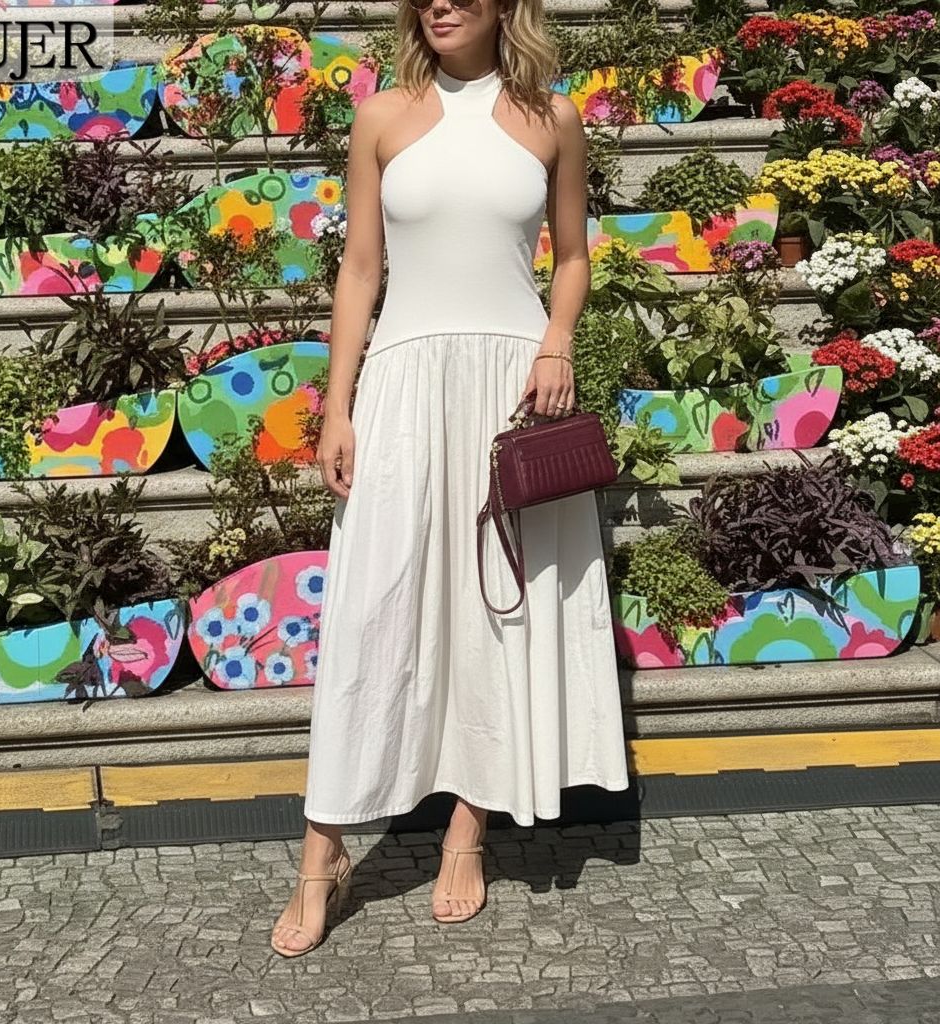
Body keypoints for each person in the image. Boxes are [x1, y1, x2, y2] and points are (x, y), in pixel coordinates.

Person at [270, 0, 630, 958]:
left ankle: (467, 829)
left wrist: (558, 345)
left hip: (512, 380)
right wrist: (338, 405)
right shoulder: (382, 115)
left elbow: (574, 255)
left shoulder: (552, 118)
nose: (440, 2)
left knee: (494, 607)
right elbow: (358, 267)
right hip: (402, 377)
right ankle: (323, 850)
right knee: (372, 605)